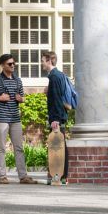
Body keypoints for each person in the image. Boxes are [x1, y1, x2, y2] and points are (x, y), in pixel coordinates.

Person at [0, 54, 37, 185]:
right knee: (1, 148)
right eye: (9, 64)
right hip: (1, 118)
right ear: (2, 65)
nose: (13, 66)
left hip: (15, 118)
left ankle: (23, 177)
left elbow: (22, 97)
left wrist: (21, 99)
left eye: (13, 63)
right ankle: (3, 177)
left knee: (19, 147)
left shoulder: (18, 80)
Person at [41, 50, 69, 185]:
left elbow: (57, 100)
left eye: (43, 60)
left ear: (49, 60)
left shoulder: (55, 77)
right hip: (57, 116)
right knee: (58, 146)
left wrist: (55, 119)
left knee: (58, 148)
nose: (41, 63)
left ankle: (60, 177)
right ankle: (58, 177)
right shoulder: (56, 76)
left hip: (57, 117)